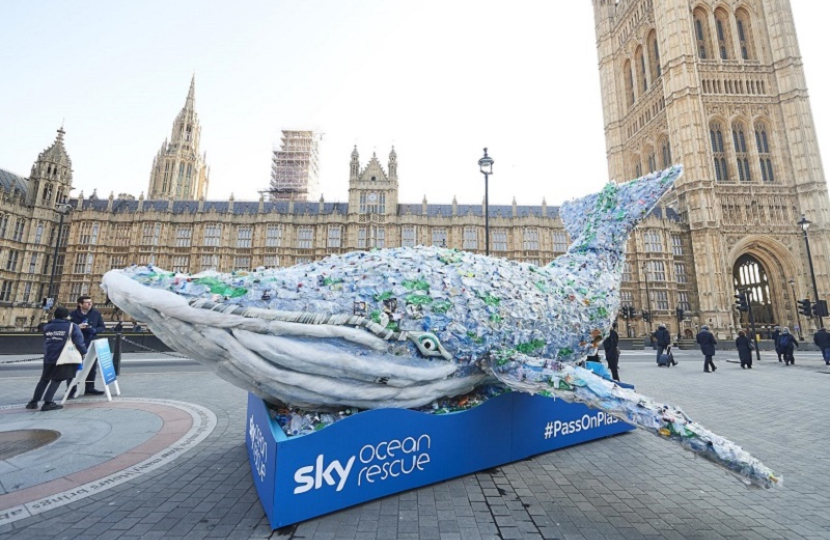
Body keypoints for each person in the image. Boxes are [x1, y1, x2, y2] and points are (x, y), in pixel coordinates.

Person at [26, 307, 88, 411]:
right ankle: (48, 402)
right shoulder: (72, 326)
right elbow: (79, 342)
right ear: (66, 316)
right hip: (63, 356)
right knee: (57, 379)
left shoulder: (48, 326)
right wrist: (84, 352)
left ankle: (33, 402)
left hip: (49, 356)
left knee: (44, 379)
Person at [68, 295, 106, 396]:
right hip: (76, 344)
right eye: (87, 302)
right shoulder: (72, 314)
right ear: (80, 304)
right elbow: (67, 327)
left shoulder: (96, 314)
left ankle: (90, 388)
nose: (90, 304)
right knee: (74, 367)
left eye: (90, 302)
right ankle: (71, 389)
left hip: (91, 343)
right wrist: (77, 327)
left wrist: (94, 330)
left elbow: (102, 327)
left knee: (91, 367)